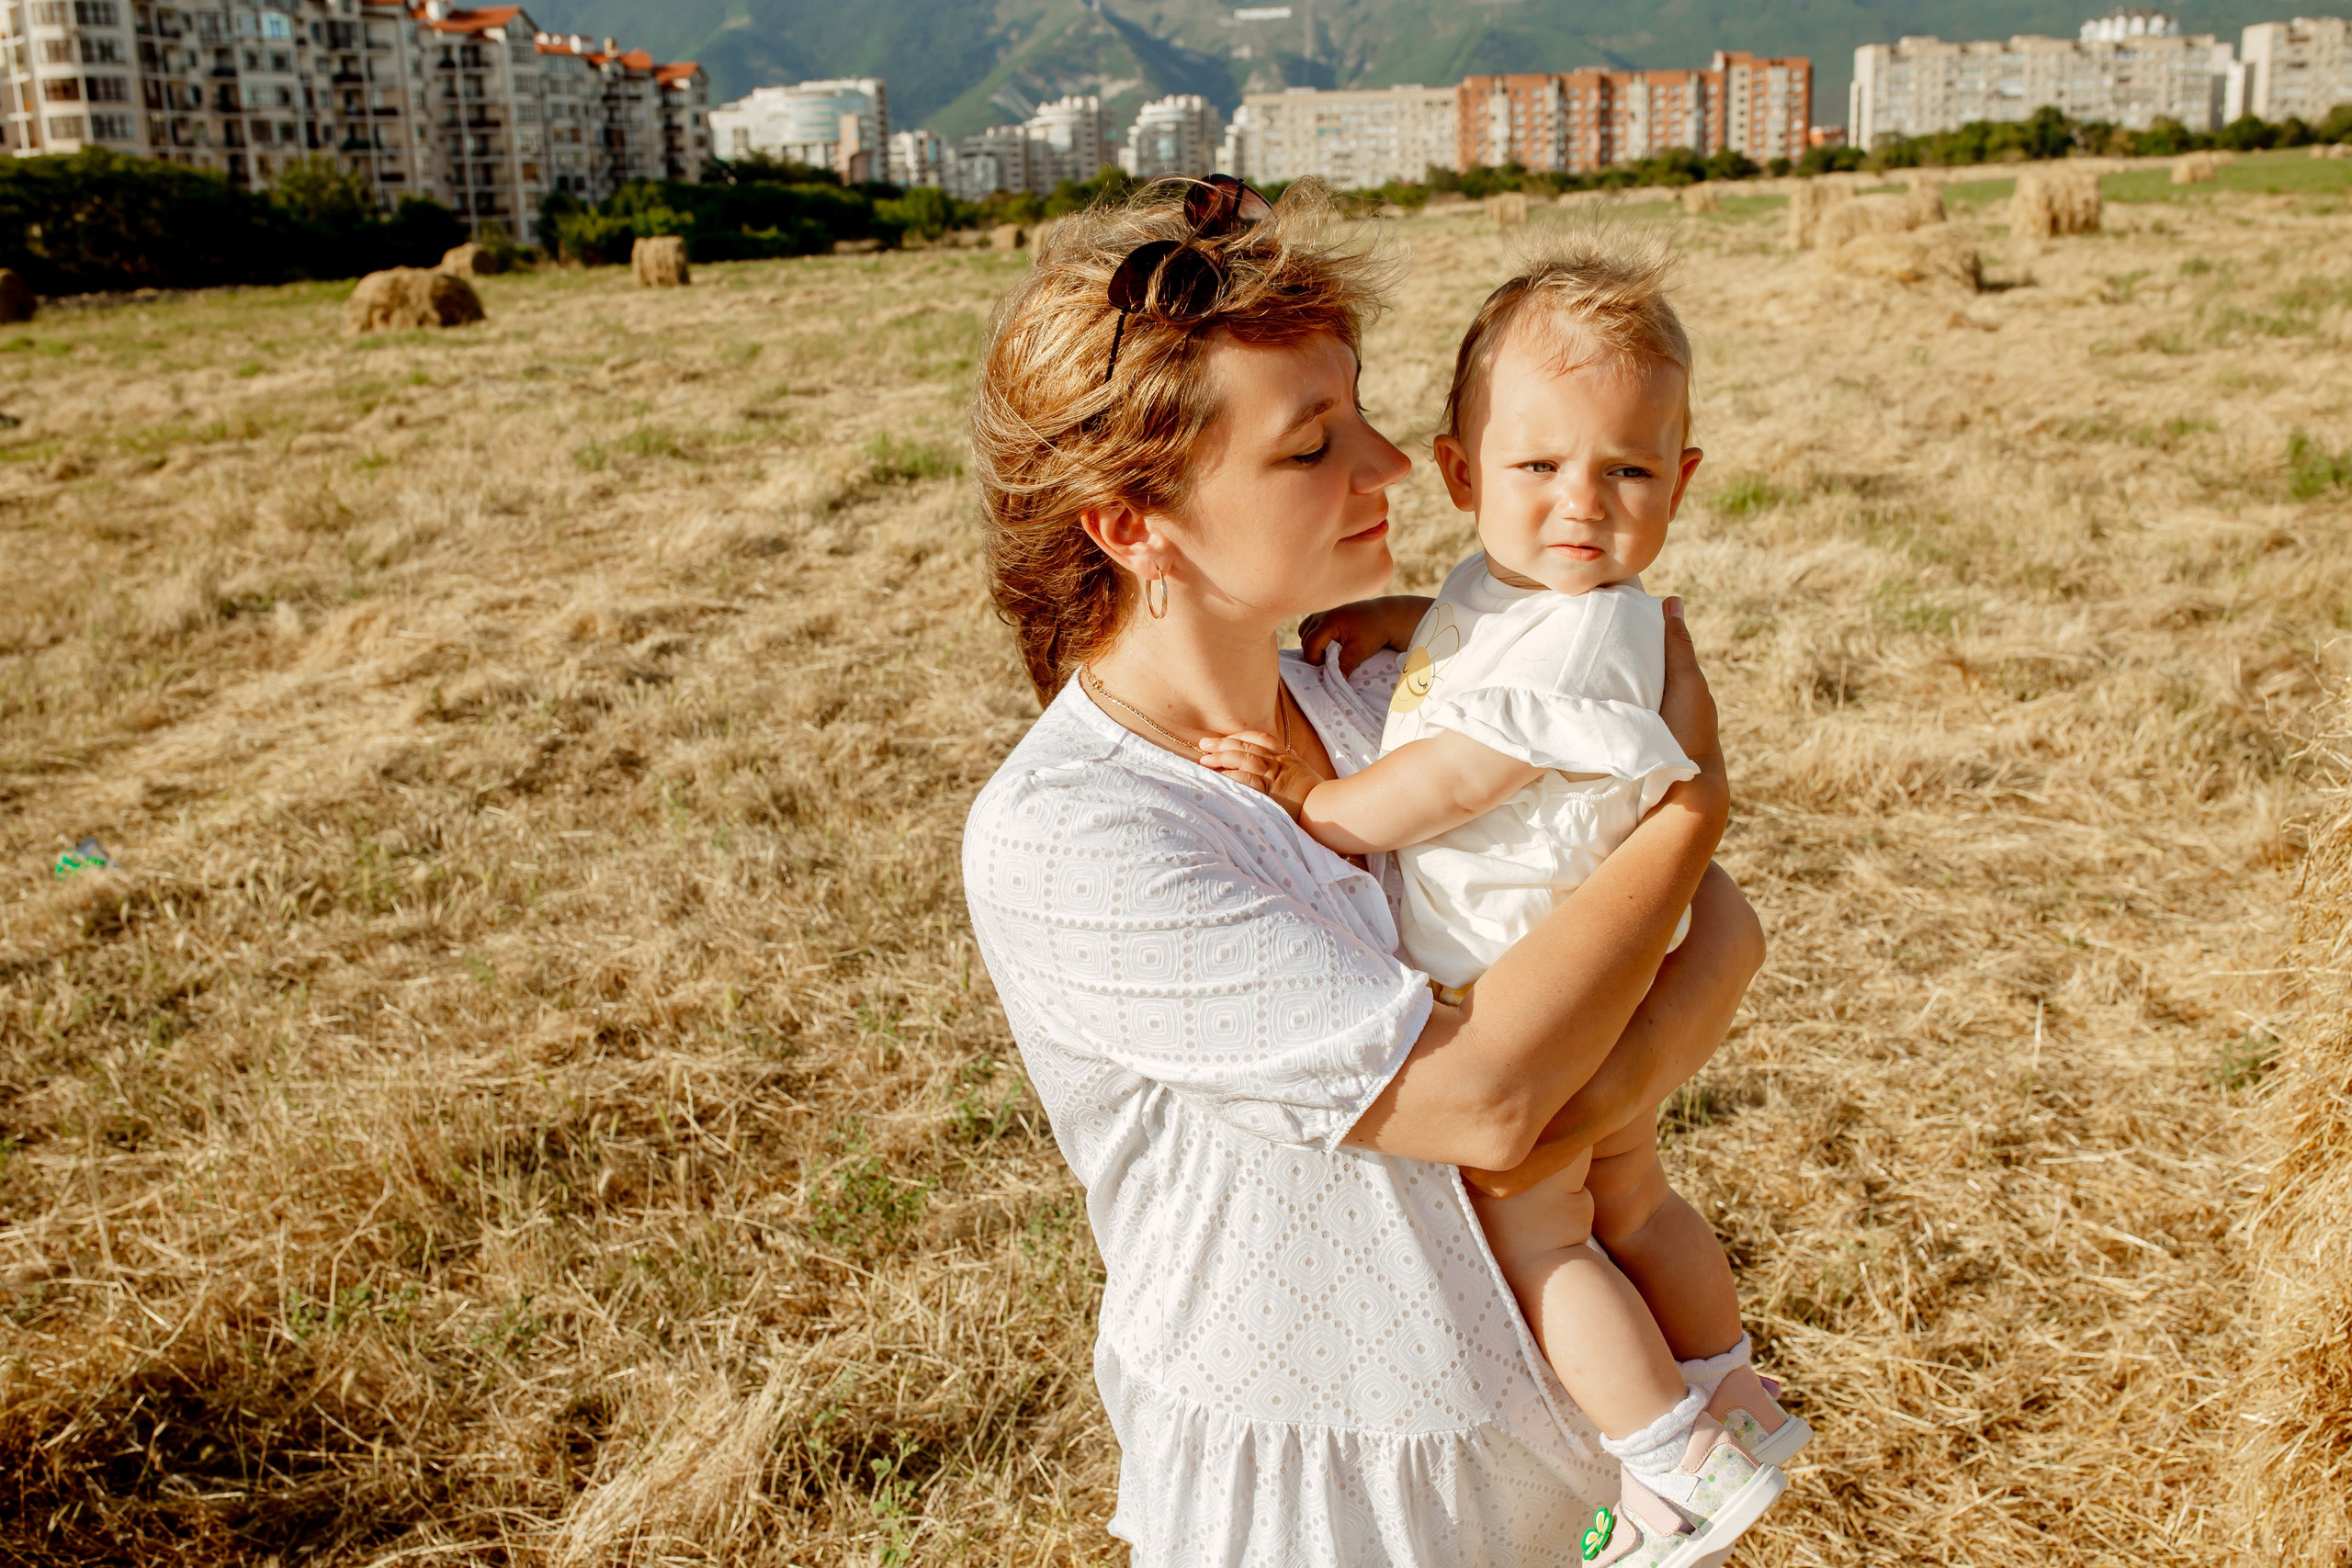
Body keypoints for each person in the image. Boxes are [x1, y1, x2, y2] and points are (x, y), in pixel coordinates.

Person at [960, 178, 1766, 1565]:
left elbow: (1726, 938)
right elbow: (1487, 1099)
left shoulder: (1376, 691)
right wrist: (1690, 810)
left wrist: (1592, 1101)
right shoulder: (1078, 833)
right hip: (1324, 1503)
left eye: (1364, 415)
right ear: (1129, 525)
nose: (1394, 465)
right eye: (1312, 446)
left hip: (1541, 1437)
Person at [1198, 240, 1808, 1562]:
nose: (1580, 504)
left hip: (1526, 969)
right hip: (1594, 954)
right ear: (1465, 474)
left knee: (1539, 1228)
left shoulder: (1591, 626)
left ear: (1681, 485)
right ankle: (1733, 1384)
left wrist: (1321, 808)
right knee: (1634, 1199)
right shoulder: (1534, 592)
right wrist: (1414, 616)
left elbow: (1469, 767)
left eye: (1628, 472)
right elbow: (1489, 632)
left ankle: (1669, 1461)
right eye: (1538, 469)